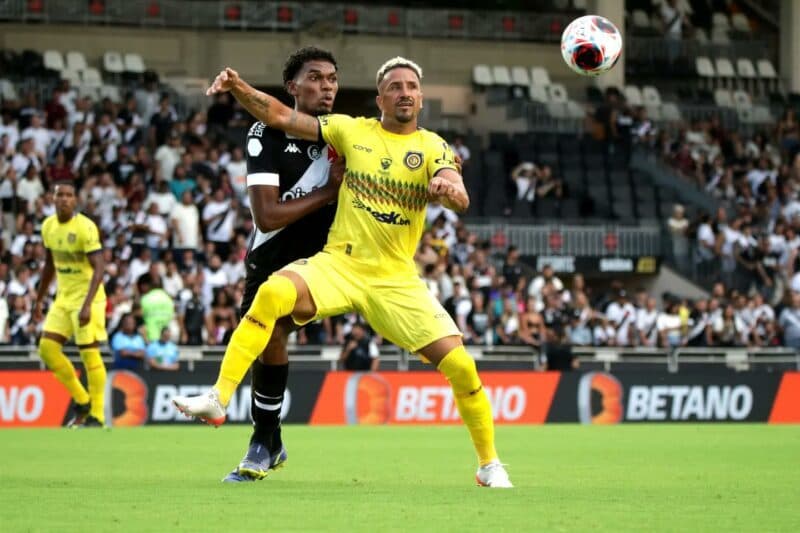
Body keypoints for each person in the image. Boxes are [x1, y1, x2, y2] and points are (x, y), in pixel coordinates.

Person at [174, 57, 512, 488]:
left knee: (462, 367)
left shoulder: (435, 147)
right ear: (380, 98)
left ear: (422, 97)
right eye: (395, 86)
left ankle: (489, 465)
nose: (405, 92)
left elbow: (458, 192)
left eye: (412, 86)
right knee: (274, 291)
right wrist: (238, 87)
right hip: (340, 263)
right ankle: (218, 398)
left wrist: (450, 190)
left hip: (394, 280)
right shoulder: (351, 130)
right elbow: (279, 115)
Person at [219, 47, 344, 483]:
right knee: (267, 338)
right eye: (315, 78)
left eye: (331, 79)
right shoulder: (265, 134)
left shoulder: (345, 136)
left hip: (325, 264)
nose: (326, 86)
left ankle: (262, 441)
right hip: (271, 258)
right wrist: (328, 192)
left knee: (270, 332)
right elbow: (267, 217)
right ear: (292, 87)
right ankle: (267, 439)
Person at [33, 181, 108, 427]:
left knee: (89, 353)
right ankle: (82, 399)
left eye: (69, 195)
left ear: (75, 200)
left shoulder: (85, 227)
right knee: (47, 349)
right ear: (53, 199)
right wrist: (39, 298)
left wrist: (87, 305)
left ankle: (96, 414)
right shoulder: (48, 226)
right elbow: (49, 264)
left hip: (89, 297)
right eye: (59, 195)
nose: (64, 199)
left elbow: (99, 269)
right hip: (63, 298)